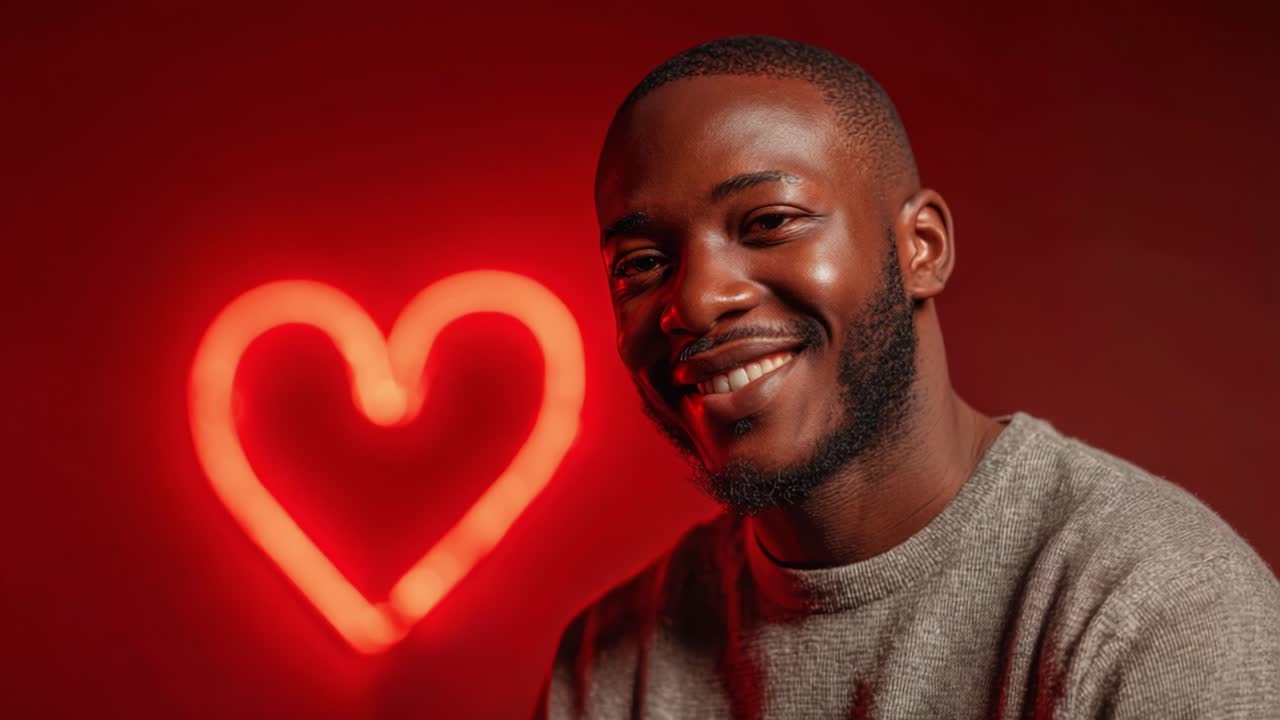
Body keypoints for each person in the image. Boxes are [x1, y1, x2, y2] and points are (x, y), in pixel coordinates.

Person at [537, 35, 1280, 718]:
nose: (696, 300)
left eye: (768, 222)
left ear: (921, 249)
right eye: (640, 264)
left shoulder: (1156, 610)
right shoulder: (608, 664)